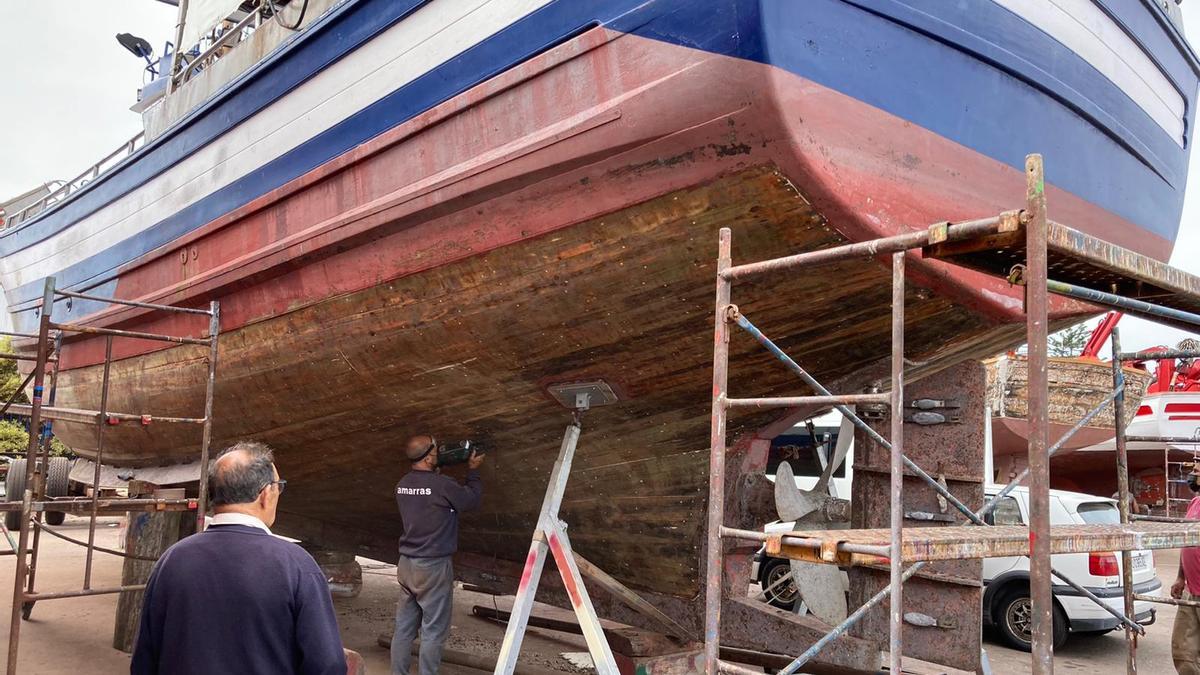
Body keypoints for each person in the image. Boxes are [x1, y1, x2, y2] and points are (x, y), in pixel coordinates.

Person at [131, 441, 346, 675]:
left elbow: (144, 659)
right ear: (266, 494)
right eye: (278, 487)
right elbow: (328, 664)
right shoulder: (297, 566)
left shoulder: (171, 560)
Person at [391, 435, 484, 675]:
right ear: (430, 455)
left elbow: (426, 495)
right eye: (436, 447)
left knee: (403, 630)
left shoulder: (401, 483)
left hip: (406, 564)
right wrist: (473, 470)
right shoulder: (443, 485)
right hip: (433, 566)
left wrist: (438, 474)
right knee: (433, 631)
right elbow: (471, 500)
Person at [1172, 463, 1200, 674]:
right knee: (1183, 652)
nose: (1193, 474)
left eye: (1198, 471)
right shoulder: (1195, 502)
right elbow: (1187, 543)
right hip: (1191, 590)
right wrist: (1181, 578)